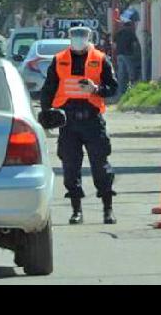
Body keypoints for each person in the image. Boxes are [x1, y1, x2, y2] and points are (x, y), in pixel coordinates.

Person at [39, 25, 119, 225]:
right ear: (69, 37)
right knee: (70, 166)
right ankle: (77, 211)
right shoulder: (59, 59)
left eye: (82, 35)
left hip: (92, 120)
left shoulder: (100, 59)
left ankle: (108, 210)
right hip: (68, 121)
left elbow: (113, 88)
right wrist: (46, 113)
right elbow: (48, 89)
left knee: (100, 165)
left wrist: (96, 89)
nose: (78, 38)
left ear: (90, 37)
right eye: (75, 35)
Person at [113, 19, 141, 95]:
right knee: (131, 73)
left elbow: (114, 46)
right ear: (130, 26)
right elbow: (135, 45)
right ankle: (132, 91)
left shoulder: (118, 33)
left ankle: (120, 92)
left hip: (119, 55)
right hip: (128, 55)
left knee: (121, 74)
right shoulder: (131, 33)